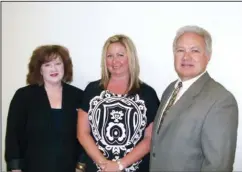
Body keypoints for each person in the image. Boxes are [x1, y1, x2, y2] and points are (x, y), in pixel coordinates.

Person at [150, 25, 238, 172]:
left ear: (208, 56)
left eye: (195, 50)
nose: (186, 57)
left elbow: (218, 166)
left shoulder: (221, 100)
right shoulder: (171, 89)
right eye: (180, 50)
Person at [77, 34, 159, 172]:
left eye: (120, 55)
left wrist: (119, 165)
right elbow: (82, 133)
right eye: (110, 56)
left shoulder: (147, 94)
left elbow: (150, 139)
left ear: (130, 58)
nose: (115, 61)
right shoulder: (92, 90)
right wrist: (104, 165)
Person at [5, 45, 84, 172]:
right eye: (47, 65)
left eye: (58, 63)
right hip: (32, 167)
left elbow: (85, 135)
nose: (54, 68)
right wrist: (15, 168)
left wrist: (81, 166)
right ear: (40, 70)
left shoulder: (78, 96)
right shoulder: (23, 96)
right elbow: (13, 137)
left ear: (65, 66)